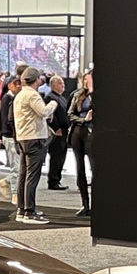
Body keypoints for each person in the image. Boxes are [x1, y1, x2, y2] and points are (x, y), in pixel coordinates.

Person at [12, 69, 52, 224]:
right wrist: (53, 103)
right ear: (37, 80)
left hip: (23, 138)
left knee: (23, 175)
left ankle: (21, 210)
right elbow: (43, 112)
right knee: (32, 176)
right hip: (34, 138)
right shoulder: (32, 95)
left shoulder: (19, 95)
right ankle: (29, 212)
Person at [68, 71, 94, 217]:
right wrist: (84, 120)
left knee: (94, 168)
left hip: (92, 133)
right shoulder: (78, 95)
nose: (86, 83)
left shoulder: (97, 96)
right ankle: (85, 204)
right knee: (80, 169)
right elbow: (70, 114)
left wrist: (92, 91)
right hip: (78, 132)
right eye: (85, 80)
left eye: (88, 80)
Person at [46, 74, 71, 189]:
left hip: (64, 131)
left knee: (61, 156)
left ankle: (57, 179)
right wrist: (56, 128)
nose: (63, 85)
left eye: (63, 83)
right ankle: (53, 181)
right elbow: (50, 115)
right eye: (60, 83)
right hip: (57, 132)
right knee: (56, 157)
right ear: (53, 85)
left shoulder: (61, 98)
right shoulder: (50, 97)